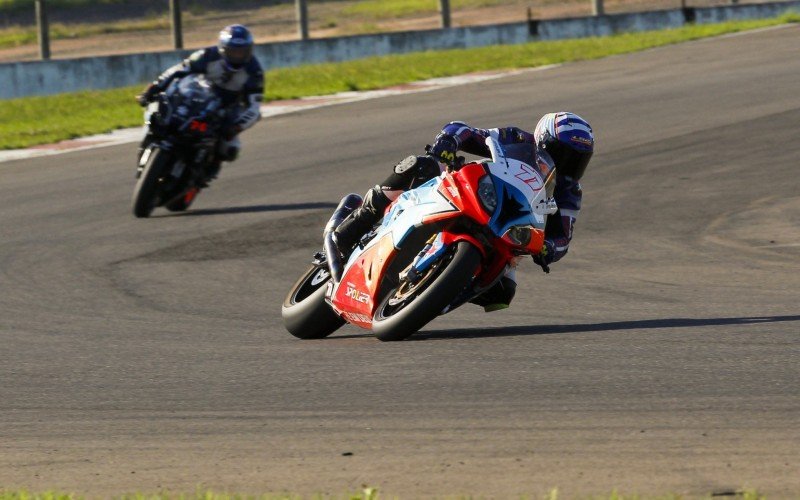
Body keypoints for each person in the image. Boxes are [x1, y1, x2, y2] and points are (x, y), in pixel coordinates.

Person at [333, 112, 594, 312]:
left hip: (505, 229)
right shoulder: (518, 140)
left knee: (501, 295)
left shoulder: (570, 193)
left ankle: (433, 294)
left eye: (577, 159)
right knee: (422, 166)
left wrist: (548, 248)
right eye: (563, 154)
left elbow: (563, 239)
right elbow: (465, 130)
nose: (567, 164)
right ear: (542, 140)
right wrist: (449, 140)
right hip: (470, 193)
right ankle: (353, 225)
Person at [136, 24, 264, 185]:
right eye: (234, 51)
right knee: (157, 113)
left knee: (230, 150)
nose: (238, 56)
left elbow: (254, 107)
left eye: (242, 51)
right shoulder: (207, 55)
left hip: (228, 107)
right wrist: (153, 88)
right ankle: (146, 150)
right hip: (198, 94)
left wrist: (235, 127)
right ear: (223, 49)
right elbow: (178, 70)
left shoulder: (254, 72)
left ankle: (207, 169)